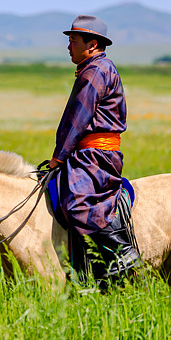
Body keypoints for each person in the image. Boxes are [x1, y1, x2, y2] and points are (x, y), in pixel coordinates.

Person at [48, 15, 141, 286]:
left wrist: (58, 156)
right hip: (87, 152)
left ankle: (122, 251)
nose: (68, 47)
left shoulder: (96, 71)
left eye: (72, 41)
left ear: (92, 44)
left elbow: (78, 118)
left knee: (77, 201)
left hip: (96, 156)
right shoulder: (93, 68)